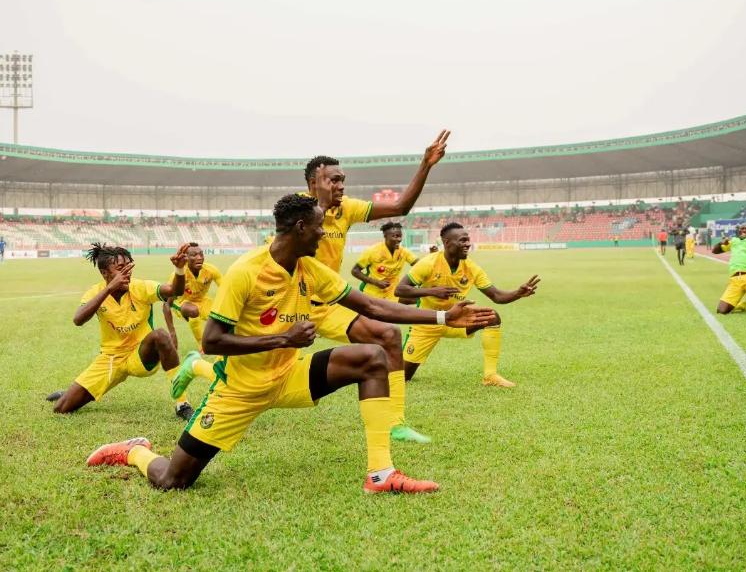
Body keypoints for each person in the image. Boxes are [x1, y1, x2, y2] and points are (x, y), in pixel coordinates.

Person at [85, 195, 496, 494]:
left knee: (373, 358)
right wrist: (284, 337)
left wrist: (444, 316)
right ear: (301, 228)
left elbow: (370, 304)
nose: (324, 233)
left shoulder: (308, 267)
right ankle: (133, 451)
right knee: (173, 480)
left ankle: (381, 474)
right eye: (319, 227)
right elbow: (212, 340)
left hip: (289, 377)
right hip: (239, 393)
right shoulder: (246, 271)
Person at [300, 130, 450, 444]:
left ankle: (394, 423)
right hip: (288, 306)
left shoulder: (348, 209)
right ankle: (197, 367)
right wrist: (322, 207)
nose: (341, 186)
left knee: (387, 335)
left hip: (327, 306)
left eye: (343, 180)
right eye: (333, 180)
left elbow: (400, 207)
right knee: (247, 371)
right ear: (313, 183)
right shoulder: (295, 209)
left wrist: (425, 165)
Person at [46, 243, 193, 418]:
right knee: (62, 408)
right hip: (111, 358)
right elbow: (78, 320)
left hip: (140, 355)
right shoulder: (96, 292)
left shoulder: (140, 287)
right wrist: (110, 288)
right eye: (121, 268)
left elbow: (174, 291)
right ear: (105, 273)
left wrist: (179, 270)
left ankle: (182, 404)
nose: (128, 272)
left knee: (160, 335)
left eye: (129, 266)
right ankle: (69, 394)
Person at [395, 222, 539, 388]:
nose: (468, 244)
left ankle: (490, 376)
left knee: (491, 317)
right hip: (427, 323)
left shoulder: (472, 268)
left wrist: (517, 293)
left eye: (468, 240)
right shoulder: (428, 263)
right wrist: (432, 292)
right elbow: (400, 290)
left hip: (456, 319)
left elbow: (497, 296)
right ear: (447, 243)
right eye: (462, 241)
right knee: (403, 377)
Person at [164, 242, 224, 419]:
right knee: (193, 311)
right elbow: (166, 304)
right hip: (182, 303)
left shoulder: (210, 270)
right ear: (186, 258)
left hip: (202, 301)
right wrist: (172, 332)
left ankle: (223, 345)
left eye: (201, 254)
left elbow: (226, 287)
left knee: (222, 314)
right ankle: (202, 344)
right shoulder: (179, 274)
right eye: (194, 255)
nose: (199, 257)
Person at [351, 222, 418, 303]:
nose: (398, 239)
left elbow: (420, 264)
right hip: (372, 292)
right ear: (385, 236)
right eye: (394, 236)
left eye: (400, 236)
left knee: (420, 300)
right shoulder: (372, 251)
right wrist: (376, 282)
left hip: (392, 291)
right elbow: (355, 271)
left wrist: (432, 255)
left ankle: (436, 314)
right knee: (376, 314)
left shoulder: (404, 252)